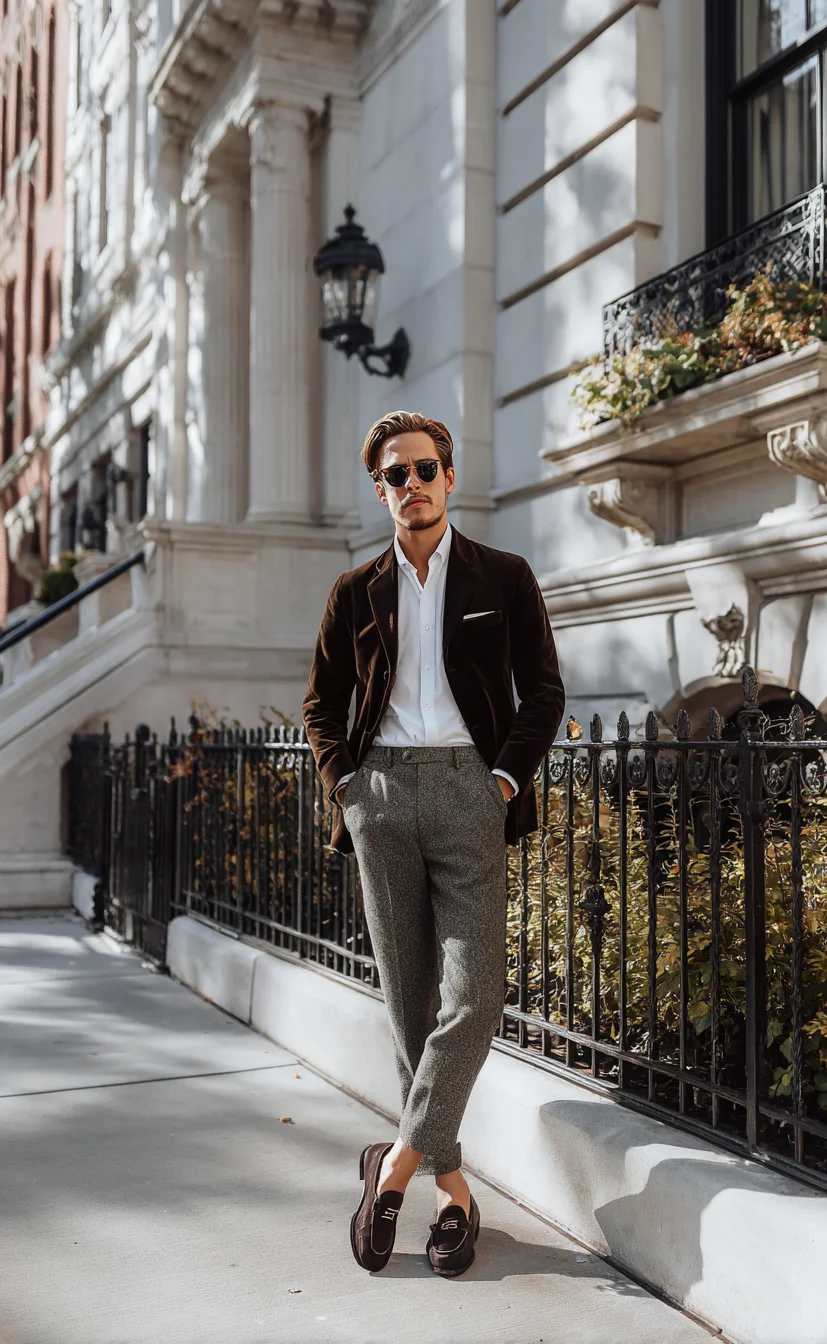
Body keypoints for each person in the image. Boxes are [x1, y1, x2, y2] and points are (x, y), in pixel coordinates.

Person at [302, 410, 564, 1277]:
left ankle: (395, 1170)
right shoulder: (355, 591)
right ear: (379, 491)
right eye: (393, 476)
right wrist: (347, 784)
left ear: (449, 478)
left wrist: (500, 783)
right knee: (410, 1003)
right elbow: (320, 705)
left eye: (423, 470)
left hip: (468, 794)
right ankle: (455, 1194)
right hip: (380, 794)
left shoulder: (505, 575)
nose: (409, 486)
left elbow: (544, 695)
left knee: (474, 998)